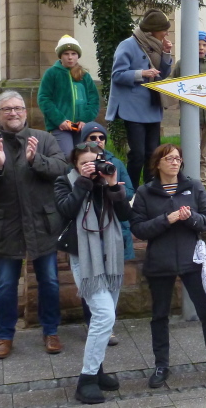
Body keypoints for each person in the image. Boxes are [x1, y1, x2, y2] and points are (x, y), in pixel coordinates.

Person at [0, 91, 67, 359]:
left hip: (42, 223)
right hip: (7, 225)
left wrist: (37, 160)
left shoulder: (44, 139)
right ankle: (5, 335)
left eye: (18, 108)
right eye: (7, 109)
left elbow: (62, 168)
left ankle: (51, 331)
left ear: (25, 111)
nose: (13, 113)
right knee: (5, 285)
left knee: (49, 281)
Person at [130, 144, 206, 388]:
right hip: (159, 262)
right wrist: (167, 219)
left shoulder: (193, 186)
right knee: (159, 316)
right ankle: (161, 365)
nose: (175, 162)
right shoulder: (145, 192)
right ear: (158, 164)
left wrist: (191, 218)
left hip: (192, 261)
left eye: (177, 158)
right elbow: (139, 229)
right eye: (169, 159)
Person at [54, 143, 131, 404]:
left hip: (111, 257)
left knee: (106, 319)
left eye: (95, 161)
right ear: (75, 165)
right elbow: (66, 210)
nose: (92, 167)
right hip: (85, 258)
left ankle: (97, 371)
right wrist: (84, 182)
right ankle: (86, 379)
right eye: (85, 163)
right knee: (104, 315)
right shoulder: (66, 182)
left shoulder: (105, 182)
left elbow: (125, 214)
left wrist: (112, 185)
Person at [80, 122, 136, 346]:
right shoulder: (79, 162)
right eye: (92, 137)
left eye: (101, 137)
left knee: (112, 280)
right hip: (89, 229)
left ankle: (108, 326)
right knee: (91, 280)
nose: (97, 141)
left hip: (114, 227)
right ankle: (93, 323)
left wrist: (113, 186)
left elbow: (130, 191)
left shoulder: (115, 163)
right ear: (84, 141)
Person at [106, 8, 173, 189]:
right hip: (133, 109)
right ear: (153, 30)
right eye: (164, 29)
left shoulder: (158, 45)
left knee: (153, 154)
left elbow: (162, 74)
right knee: (138, 154)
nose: (166, 33)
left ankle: (150, 190)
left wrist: (166, 53)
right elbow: (117, 75)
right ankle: (132, 190)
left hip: (152, 106)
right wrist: (141, 73)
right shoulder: (128, 45)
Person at [172, 30, 206, 189]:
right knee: (188, 154)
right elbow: (172, 83)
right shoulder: (182, 64)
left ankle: (202, 187)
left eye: (204, 45)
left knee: (203, 155)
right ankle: (186, 185)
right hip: (190, 119)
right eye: (198, 44)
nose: (201, 48)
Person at [38, 35, 100, 156]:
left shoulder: (84, 75)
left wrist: (85, 119)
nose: (70, 57)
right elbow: (44, 99)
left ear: (78, 55)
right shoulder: (52, 73)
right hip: (61, 127)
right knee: (67, 156)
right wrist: (59, 120)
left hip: (81, 127)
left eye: (73, 53)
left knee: (82, 156)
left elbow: (94, 100)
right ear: (60, 56)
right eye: (66, 54)